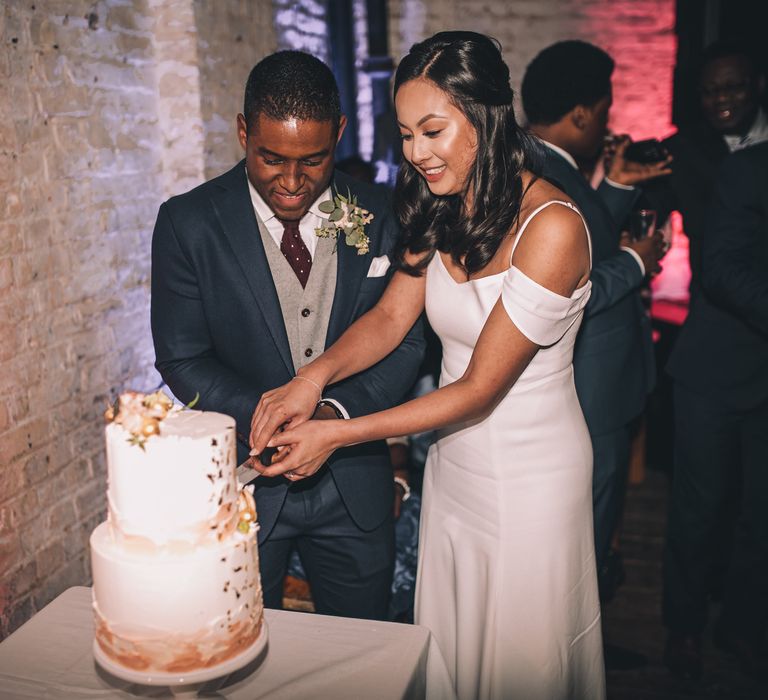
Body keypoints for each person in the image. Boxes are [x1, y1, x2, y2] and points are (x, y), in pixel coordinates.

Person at [250, 31, 605, 699]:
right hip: (453, 463)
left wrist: (336, 432)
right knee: (458, 646)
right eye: (406, 133)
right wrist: (311, 378)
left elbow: (477, 389)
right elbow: (389, 319)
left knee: (519, 657)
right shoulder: (443, 204)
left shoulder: (553, 227)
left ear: (488, 116)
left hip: (530, 476)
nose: (415, 152)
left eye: (433, 130)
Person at [150, 50, 425, 621]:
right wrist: (273, 418)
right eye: (271, 159)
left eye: (315, 160)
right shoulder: (188, 222)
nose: (293, 183)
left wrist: (331, 417)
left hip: (354, 485)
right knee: (244, 648)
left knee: (361, 655)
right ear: (243, 131)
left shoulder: (387, 213)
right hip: (246, 487)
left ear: (340, 134)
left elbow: (409, 342)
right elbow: (182, 358)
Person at [520, 40, 668, 616]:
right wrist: (634, 263)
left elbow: (587, 234)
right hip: (590, 388)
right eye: (604, 110)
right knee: (586, 528)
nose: (607, 122)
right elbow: (566, 285)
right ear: (581, 114)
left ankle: (588, 641)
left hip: (600, 383)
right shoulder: (537, 173)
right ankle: (582, 641)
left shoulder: (556, 167)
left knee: (594, 525)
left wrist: (619, 186)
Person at [661, 142, 768, 680]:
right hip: (716, 366)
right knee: (700, 509)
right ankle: (683, 628)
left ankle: (743, 626)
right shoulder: (748, 168)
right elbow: (722, 268)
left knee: (760, 516)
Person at [642, 40, 767, 296]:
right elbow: (647, 213)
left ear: (758, 84)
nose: (721, 98)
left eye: (733, 87)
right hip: (714, 304)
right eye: (709, 91)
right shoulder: (683, 150)